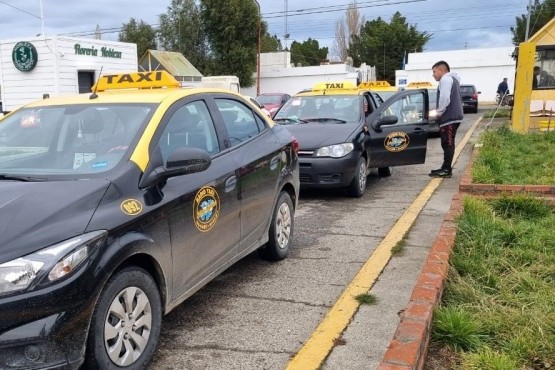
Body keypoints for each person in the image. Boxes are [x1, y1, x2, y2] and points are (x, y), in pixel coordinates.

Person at [429, 60, 463, 178]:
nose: (433, 74)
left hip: (449, 117)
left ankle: (446, 169)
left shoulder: (446, 79)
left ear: (441, 70)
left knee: (448, 143)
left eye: (434, 71)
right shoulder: (453, 79)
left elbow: (445, 97)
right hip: (454, 116)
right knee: (448, 142)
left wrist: (439, 112)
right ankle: (445, 167)